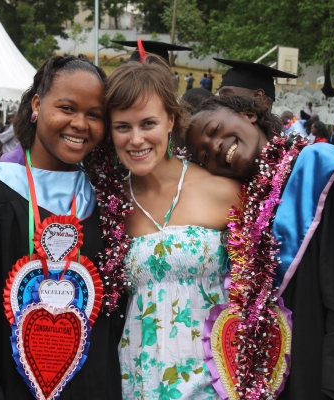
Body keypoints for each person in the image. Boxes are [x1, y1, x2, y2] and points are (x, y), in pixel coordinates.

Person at [186, 94, 334, 399]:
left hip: (329, 381)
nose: (215, 148)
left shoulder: (317, 169)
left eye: (214, 129)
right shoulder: (248, 217)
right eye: (203, 155)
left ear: (248, 114)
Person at [0, 55, 123, 399]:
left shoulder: (103, 200)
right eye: (67, 108)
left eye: (94, 115)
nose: (80, 124)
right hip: (5, 382)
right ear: (37, 104)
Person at [96, 54, 240, 399]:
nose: (136, 139)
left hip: (212, 383)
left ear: (171, 121)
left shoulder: (223, 190)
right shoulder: (111, 207)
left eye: (148, 124)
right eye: (122, 127)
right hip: (137, 380)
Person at [214, 58, 297, 108]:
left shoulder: (280, 137)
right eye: (220, 96)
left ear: (258, 97)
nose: (220, 102)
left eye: (227, 96)